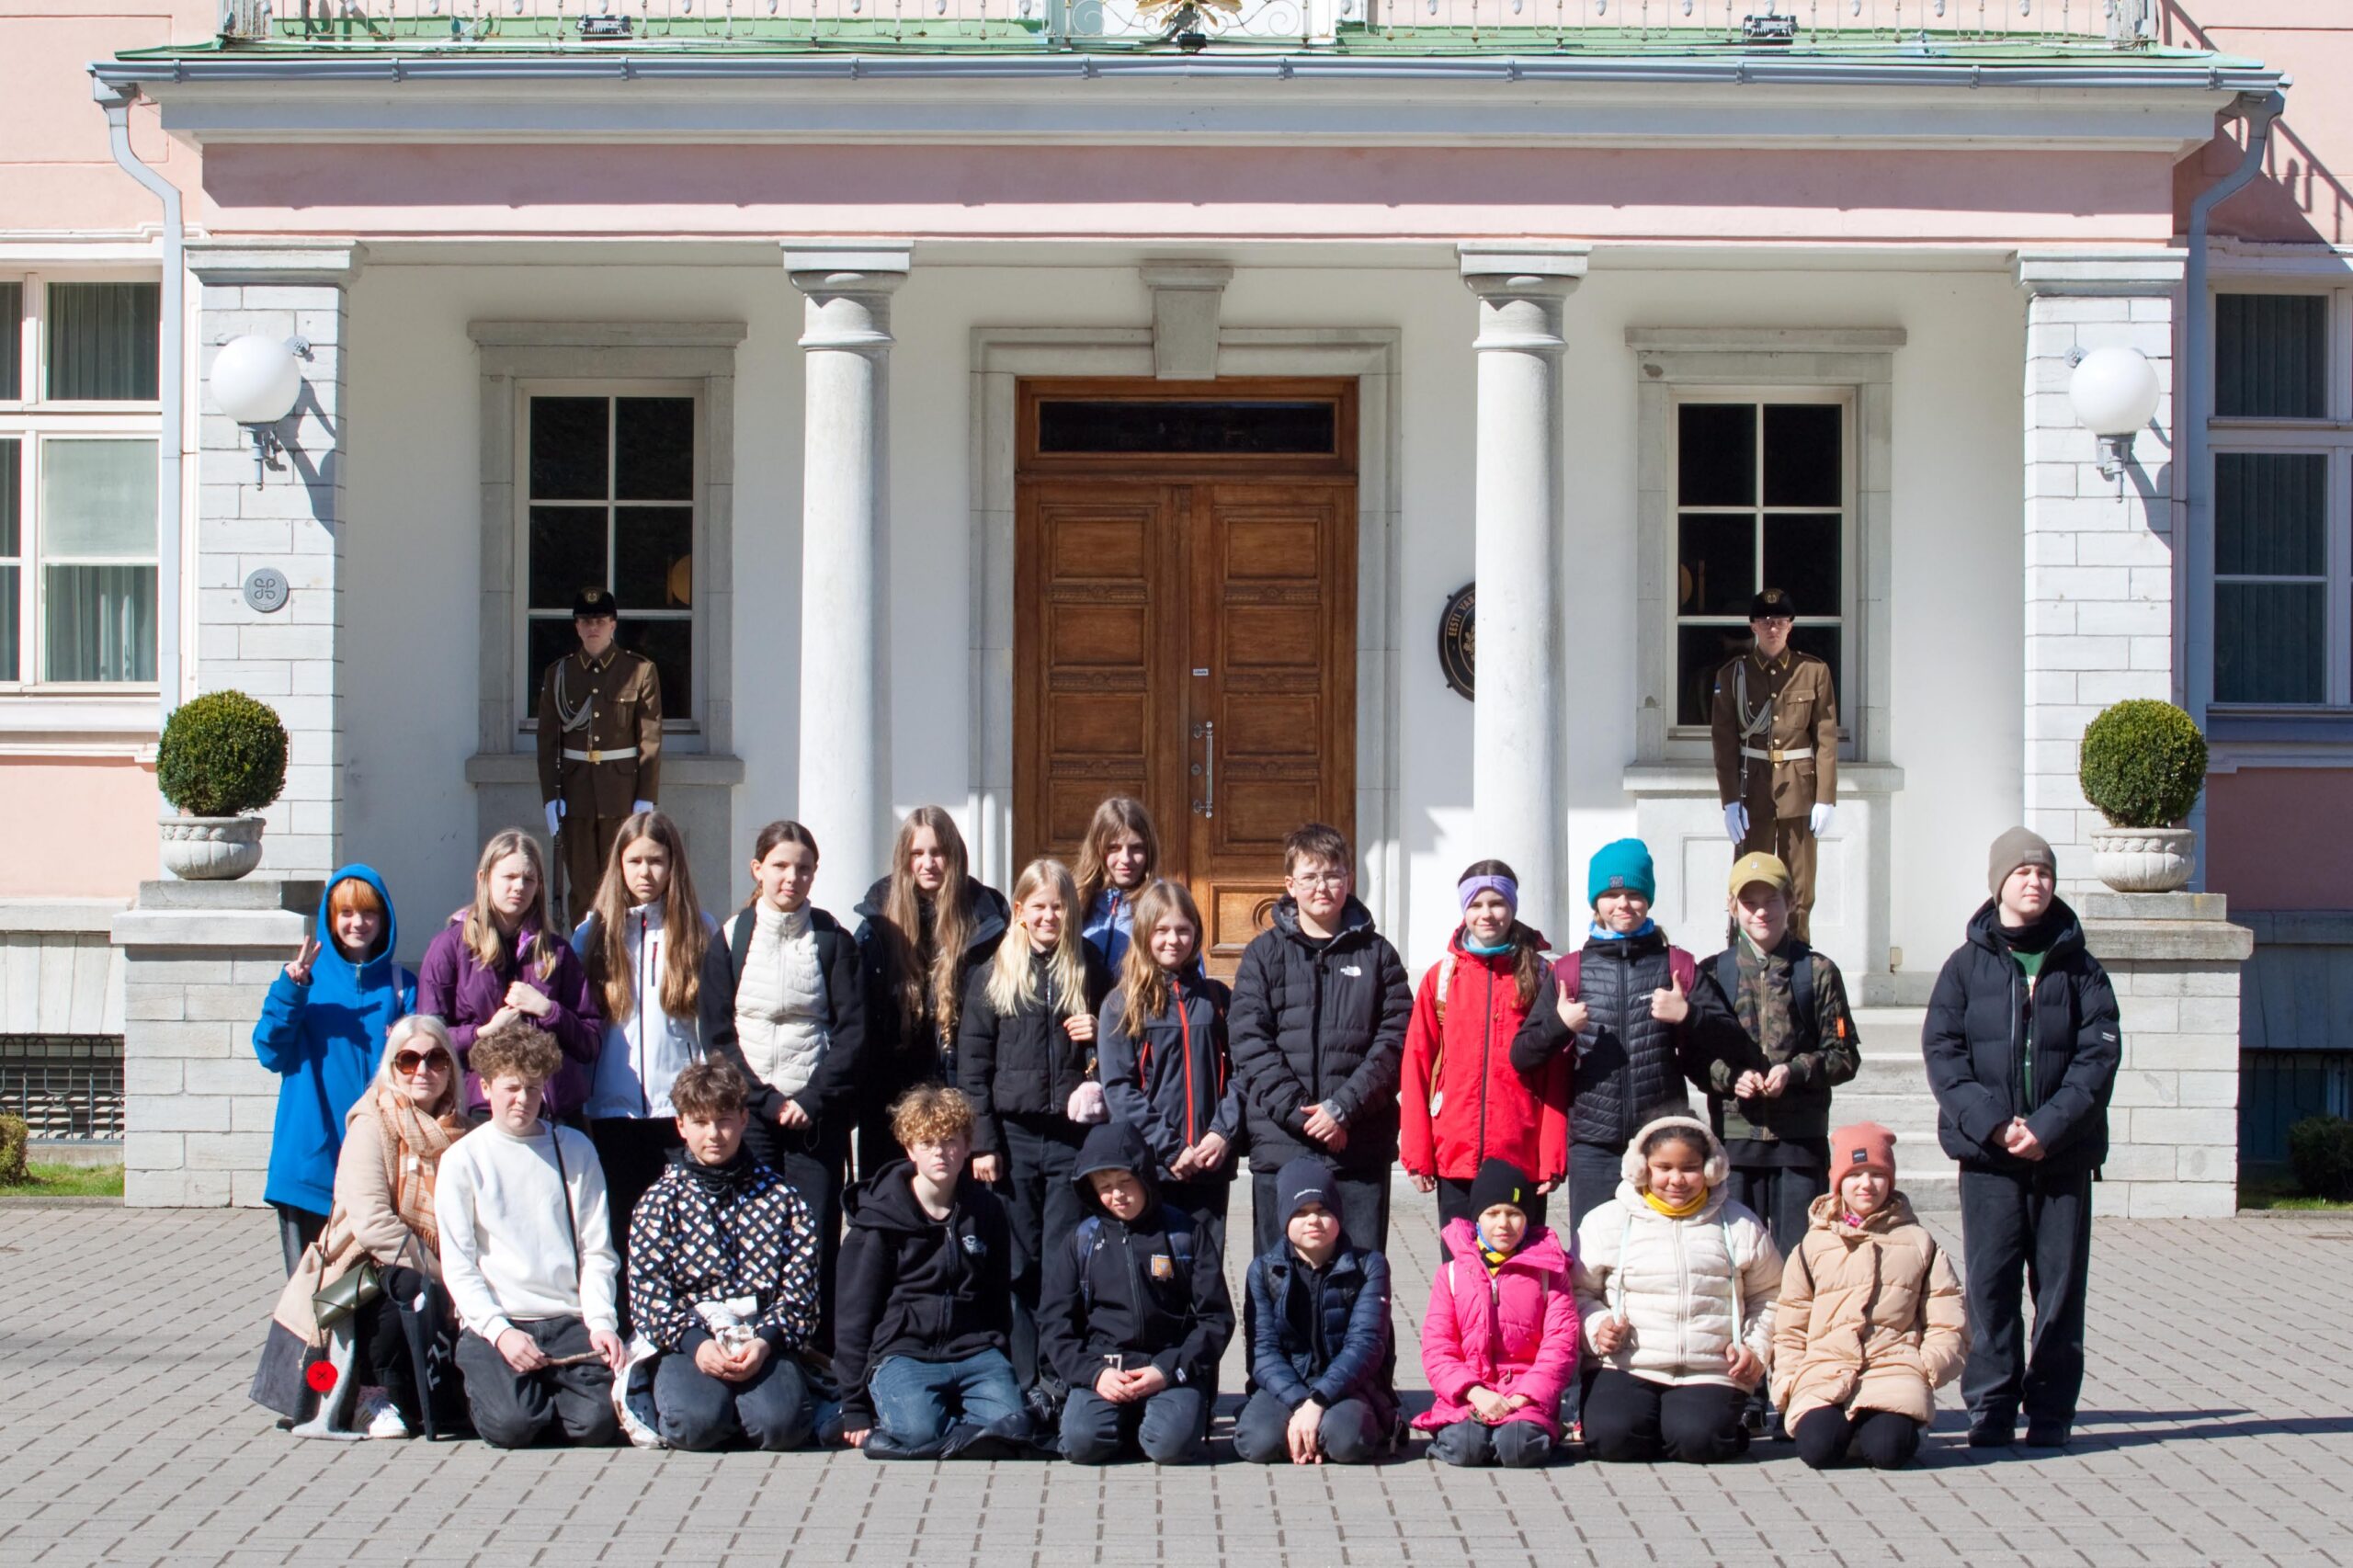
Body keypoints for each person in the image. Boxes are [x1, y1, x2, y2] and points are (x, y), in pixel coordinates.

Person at [1922, 827, 2120, 1450]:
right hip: (1989, 1159)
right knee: (1991, 1287)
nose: (2035, 882)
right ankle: (1991, 1406)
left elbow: (2097, 1059)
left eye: (2044, 873)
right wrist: (1993, 1123)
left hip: (2062, 1159)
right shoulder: (1963, 968)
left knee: (2059, 1291)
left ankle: (2052, 1409)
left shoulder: (2082, 968)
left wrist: (2048, 1128)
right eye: (2023, 872)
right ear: (1999, 883)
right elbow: (1944, 1056)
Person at [1686, 848, 1860, 1433]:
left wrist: (1797, 1070)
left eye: (1772, 901)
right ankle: (1743, 1387)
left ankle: (1796, 1384)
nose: (1761, 911)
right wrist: (1728, 1078)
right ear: (1732, 908)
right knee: (1736, 1269)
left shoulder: (1818, 972)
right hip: (1735, 1145)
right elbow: (1693, 1055)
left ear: (1792, 904)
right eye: (1750, 902)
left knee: (1796, 1270)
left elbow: (1844, 1054)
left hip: (1798, 1144)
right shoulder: (1713, 973)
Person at [268, 1013, 469, 1438]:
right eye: (408, 1060)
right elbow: (374, 1225)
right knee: (407, 1281)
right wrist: (449, 1276)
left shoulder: (465, 1132)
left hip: (445, 1264)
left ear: (451, 1068)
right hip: (364, 1267)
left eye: (436, 1059)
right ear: (391, 1068)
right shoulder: (372, 1123)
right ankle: (369, 1395)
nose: (423, 1071)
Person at [957, 857, 1113, 1394]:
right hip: (1013, 1138)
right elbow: (973, 1066)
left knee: (1064, 1258)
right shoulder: (992, 974)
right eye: (1039, 907)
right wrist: (983, 1143)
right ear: (1020, 910)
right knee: (1018, 1262)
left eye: (1059, 907)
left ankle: (1059, 1371)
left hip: (1071, 1136)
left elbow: (1122, 1046)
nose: (1050, 917)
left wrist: (1100, 1030)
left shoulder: (1089, 967)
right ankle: (1023, 1378)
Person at [433, 1020, 626, 1449]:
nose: (523, 1099)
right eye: (511, 1088)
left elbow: (596, 1250)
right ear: (486, 1088)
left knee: (596, 1425)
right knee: (513, 1426)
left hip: (566, 1318)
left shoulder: (575, 1149)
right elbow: (459, 1265)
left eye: (534, 1089)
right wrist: (499, 1331)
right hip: (500, 1318)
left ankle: (547, 1396)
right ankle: (498, 1390)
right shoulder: (463, 1159)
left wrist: (601, 1322)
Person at [708, 819, 865, 1343]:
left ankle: (813, 1347)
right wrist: (764, 1099)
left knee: (812, 1236)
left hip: (813, 1119)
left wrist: (810, 1099)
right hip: (749, 1116)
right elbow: (717, 1033)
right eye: (779, 866)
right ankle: (752, 1341)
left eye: (803, 868)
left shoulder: (834, 940)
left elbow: (852, 1033)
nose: (791, 878)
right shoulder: (729, 938)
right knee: (749, 1232)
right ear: (758, 869)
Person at [1230, 822, 1412, 1256]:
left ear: (1348, 880)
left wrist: (1343, 1109)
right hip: (1283, 1147)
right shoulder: (1262, 955)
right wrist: (1306, 1116)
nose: (1322, 887)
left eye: (1332, 875)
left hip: (1358, 1146)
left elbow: (1396, 1040)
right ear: (1290, 885)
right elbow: (1250, 1043)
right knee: (1279, 1280)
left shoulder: (1378, 955)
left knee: (1362, 1277)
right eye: (1310, 876)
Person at [1509, 839, 1705, 1242]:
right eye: (1612, 895)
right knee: (1593, 1255)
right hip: (1594, 1148)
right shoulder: (1570, 971)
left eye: (1634, 894)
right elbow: (1522, 1055)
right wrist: (1560, 1025)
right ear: (1596, 902)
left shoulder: (1677, 966)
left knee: (1661, 1251)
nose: (1623, 904)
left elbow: (1723, 1044)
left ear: (1648, 899)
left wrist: (1688, 1016)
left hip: (1662, 1144)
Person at [626, 1061, 822, 1452]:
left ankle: (754, 1406)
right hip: (690, 1335)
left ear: (744, 1119)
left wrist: (766, 1342)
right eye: (700, 1123)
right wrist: (696, 1344)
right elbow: (649, 1293)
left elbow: (801, 1290)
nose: (714, 1134)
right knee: (695, 1426)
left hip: (762, 1333)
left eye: (724, 1121)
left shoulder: (782, 1198)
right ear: (681, 1125)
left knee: (782, 1428)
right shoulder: (660, 1201)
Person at [572, 810, 733, 1274]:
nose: (646, 872)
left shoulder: (699, 929)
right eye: (635, 861)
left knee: (680, 1228)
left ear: (673, 865)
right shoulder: (593, 933)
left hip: (678, 1109)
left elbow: (714, 1020)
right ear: (619, 866)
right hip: (612, 1109)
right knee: (620, 1225)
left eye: (657, 861)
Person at [1574, 1112, 1781, 1466]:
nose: (1676, 1179)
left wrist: (1755, 1349)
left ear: (1711, 1169)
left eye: (1689, 1168)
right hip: (1627, 1364)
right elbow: (1576, 1292)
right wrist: (1596, 1327)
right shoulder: (1606, 1221)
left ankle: (1702, 1429)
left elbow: (1772, 1295)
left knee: (1698, 1442)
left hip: (1710, 1367)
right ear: (1642, 1169)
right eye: (1663, 1167)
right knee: (1613, 1440)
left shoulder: (1741, 1224)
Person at [833, 1085, 1026, 1456]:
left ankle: (955, 1429)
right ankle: (941, 1429)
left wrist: (998, 1353)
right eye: (927, 1142)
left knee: (1011, 1427)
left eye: (950, 1141)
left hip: (974, 1352)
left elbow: (998, 1297)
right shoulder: (878, 1220)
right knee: (918, 1432)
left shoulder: (986, 1211)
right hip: (904, 1353)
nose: (940, 1152)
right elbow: (853, 1316)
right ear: (910, 1149)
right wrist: (854, 1406)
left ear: (967, 1147)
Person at [1772, 1122, 1969, 1471]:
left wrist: (1927, 1368)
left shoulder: (1918, 1242)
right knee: (1818, 1451)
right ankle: (1849, 1429)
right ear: (1838, 1182)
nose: (1866, 1184)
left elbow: (1948, 1317)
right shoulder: (1812, 1245)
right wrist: (1789, 1379)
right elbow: (1791, 1323)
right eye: (1855, 1174)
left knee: (1889, 1452)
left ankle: (1896, 1428)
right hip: (1826, 1367)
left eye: (1877, 1174)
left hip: (1895, 1367)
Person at [1042, 1121, 1234, 1466]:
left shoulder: (1184, 1234)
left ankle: (1152, 1422)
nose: (1117, 1195)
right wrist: (1094, 1375)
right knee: (1081, 1443)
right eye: (1105, 1187)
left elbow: (1216, 1319)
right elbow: (1055, 1325)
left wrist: (1168, 1369)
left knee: (1170, 1447)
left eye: (1125, 1182)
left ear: (1145, 1176)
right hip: (1106, 1371)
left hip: (1168, 1368)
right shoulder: (1081, 1241)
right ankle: (1125, 1423)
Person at [253, 865, 414, 1275]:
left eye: (368, 912)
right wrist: (289, 992)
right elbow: (269, 1052)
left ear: (384, 918)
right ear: (330, 918)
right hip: (310, 1169)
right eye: (346, 912)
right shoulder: (303, 982)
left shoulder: (402, 986)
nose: (358, 923)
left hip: (380, 1171)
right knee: (310, 1295)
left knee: (373, 1295)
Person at [1401, 860, 1568, 1243]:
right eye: (1476, 905)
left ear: (1512, 907)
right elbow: (1417, 1065)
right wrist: (1417, 1151)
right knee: (1461, 1265)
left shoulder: (1541, 976)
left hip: (1520, 1150)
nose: (1486, 914)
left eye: (1497, 903)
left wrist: (1552, 1156)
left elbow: (1556, 1071)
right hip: (1455, 1153)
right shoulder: (1441, 978)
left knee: (1520, 1264)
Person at [853, 806, 1010, 1177]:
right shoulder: (878, 922)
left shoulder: (986, 919)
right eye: (917, 853)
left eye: (938, 852)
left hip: (961, 1079)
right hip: (892, 1087)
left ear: (954, 855)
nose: (928, 864)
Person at [418, 829, 602, 1122]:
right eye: (509, 877)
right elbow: (429, 1039)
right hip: (481, 1109)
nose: (519, 887)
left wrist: (549, 1011)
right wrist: (482, 1033)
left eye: (529, 879)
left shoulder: (557, 951)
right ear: (484, 878)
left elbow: (590, 1043)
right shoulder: (448, 948)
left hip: (554, 1112)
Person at [1096, 877, 1241, 1244]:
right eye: (1161, 930)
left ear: (1196, 934)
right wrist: (1171, 1148)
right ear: (1144, 933)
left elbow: (1243, 1074)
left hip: (1209, 1163)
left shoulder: (1217, 999)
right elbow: (1119, 1089)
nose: (1173, 940)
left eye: (1183, 930)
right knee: (1157, 1266)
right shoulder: (1122, 1004)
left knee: (1204, 1266)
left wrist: (1222, 1133)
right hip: (1153, 1166)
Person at [1233, 1155, 1399, 1466]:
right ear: (1284, 1218)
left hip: (1348, 1385)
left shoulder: (1369, 1266)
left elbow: (1366, 1346)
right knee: (1257, 1442)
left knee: (1347, 1442)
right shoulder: (1263, 1270)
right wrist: (1300, 1404)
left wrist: (1319, 1400)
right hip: (1287, 1384)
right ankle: (1305, 1435)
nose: (1313, 1220)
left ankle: (1320, 1432)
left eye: (1323, 1210)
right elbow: (1263, 1352)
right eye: (1300, 1212)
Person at [1414, 1158, 1577, 1469]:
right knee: (1465, 1447)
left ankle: (1532, 1433)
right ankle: (1476, 1435)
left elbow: (1560, 1347)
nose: (1503, 1223)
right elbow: (1438, 1349)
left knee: (1518, 1446)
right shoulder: (1451, 1274)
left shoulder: (1550, 1274)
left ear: (1527, 1219)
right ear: (1477, 1218)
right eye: (1493, 1213)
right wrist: (1475, 1393)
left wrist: (1521, 1398)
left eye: (1514, 1214)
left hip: (1526, 1395)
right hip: (1469, 1394)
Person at [1711, 586, 1837, 943]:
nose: (1773, 628)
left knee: (1800, 886)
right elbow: (1724, 742)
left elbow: (1825, 739)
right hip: (1753, 791)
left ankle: (1798, 956)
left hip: (1799, 790)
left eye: (1780, 621)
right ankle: (1746, 956)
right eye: (1765, 621)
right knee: (1752, 881)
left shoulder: (1812, 671)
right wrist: (1730, 800)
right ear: (1753, 626)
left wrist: (1825, 797)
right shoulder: (1733, 674)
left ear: (1790, 625)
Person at [538, 584, 662, 926]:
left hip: (621, 795)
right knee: (582, 887)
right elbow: (547, 743)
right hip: (575, 794)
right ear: (577, 627)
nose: (593, 627)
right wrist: (550, 797)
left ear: (613, 625)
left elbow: (650, 738)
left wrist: (645, 795)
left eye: (600, 620)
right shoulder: (559, 674)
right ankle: (584, 952)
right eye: (586, 621)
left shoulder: (639, 671)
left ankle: (623, 951)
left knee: (625, 883)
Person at [1074, 794, 1158, 972]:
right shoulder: (1074, 900)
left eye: (1136, 848)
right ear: (1097, 849)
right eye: (1114, 848)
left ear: (1149, 850)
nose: (1125, 859)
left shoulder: (1164, 903)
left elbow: (1190, 977)